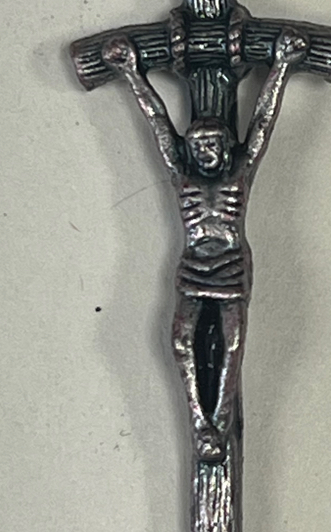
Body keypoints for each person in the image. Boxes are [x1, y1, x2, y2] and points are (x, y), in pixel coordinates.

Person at [101, 28, 307, 460]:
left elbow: (263, 122)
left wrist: (282, 67)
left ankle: (220, 418)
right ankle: (200, 420)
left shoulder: (239, 175)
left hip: (230, 266)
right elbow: (158, 122)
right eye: (198, 145)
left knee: (232, 344)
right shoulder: (182, 177)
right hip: (194, 266)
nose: (206, 151)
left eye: (213, 143)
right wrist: (131, 72)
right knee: (181, 340)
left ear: (228, 147)